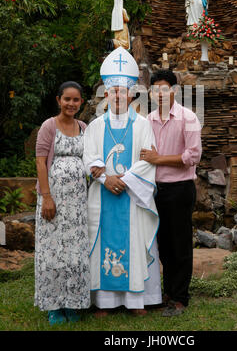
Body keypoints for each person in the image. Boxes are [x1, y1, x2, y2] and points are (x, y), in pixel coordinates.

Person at [83, 46, 161, 316]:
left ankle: (135, 301)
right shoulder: (95, 126)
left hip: (130, 196)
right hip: (104, 196)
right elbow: (89, 156)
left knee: (134, 242)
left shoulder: (142, 125)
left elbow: (147, 158)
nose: (118, 95)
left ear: (131, 94)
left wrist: (124, 180)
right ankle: (104, 302)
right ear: (106, 94)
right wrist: (105, 179)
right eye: (113, 91)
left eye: (123, 91)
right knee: (101, 242)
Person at [140, 70, 202, 317]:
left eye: (164, 89)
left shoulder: (188, 118)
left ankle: (180, 298)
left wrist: (159, 159)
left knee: (180, 244)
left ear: (174, 90)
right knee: (162, 244)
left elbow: (192, 156)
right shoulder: (148, 119)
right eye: (155, 90)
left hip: (179, 189)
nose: (159, 94)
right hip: (155, 190)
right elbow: (144, 153)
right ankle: (167, 291)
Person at [35, 81, 91, 325]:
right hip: (54, 201)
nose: (71, 103)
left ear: (81, 103)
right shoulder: (49, 126)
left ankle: (73, 302)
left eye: (76, 100)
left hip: (78, 204)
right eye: (67, 99)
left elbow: (91, 159)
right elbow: (39, 163)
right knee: (53, 252)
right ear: (59, 100)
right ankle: (54, 306)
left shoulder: (84, 127)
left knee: (75, 253)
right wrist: (47, 197)